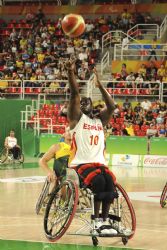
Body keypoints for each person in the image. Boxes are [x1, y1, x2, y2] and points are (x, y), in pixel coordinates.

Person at [66, 60, 118, 235]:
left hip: (99, 163)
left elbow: (112, 106)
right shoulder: (76, 119)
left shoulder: (99, 121)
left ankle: (105, 221)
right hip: (81, 164)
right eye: (81, 103)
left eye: (86, 102)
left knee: (110, 181)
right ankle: (96, 222)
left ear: (92, 105)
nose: (82, 104)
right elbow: (74, 95)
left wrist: (100, 85)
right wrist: (70, 72)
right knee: (99, 181)